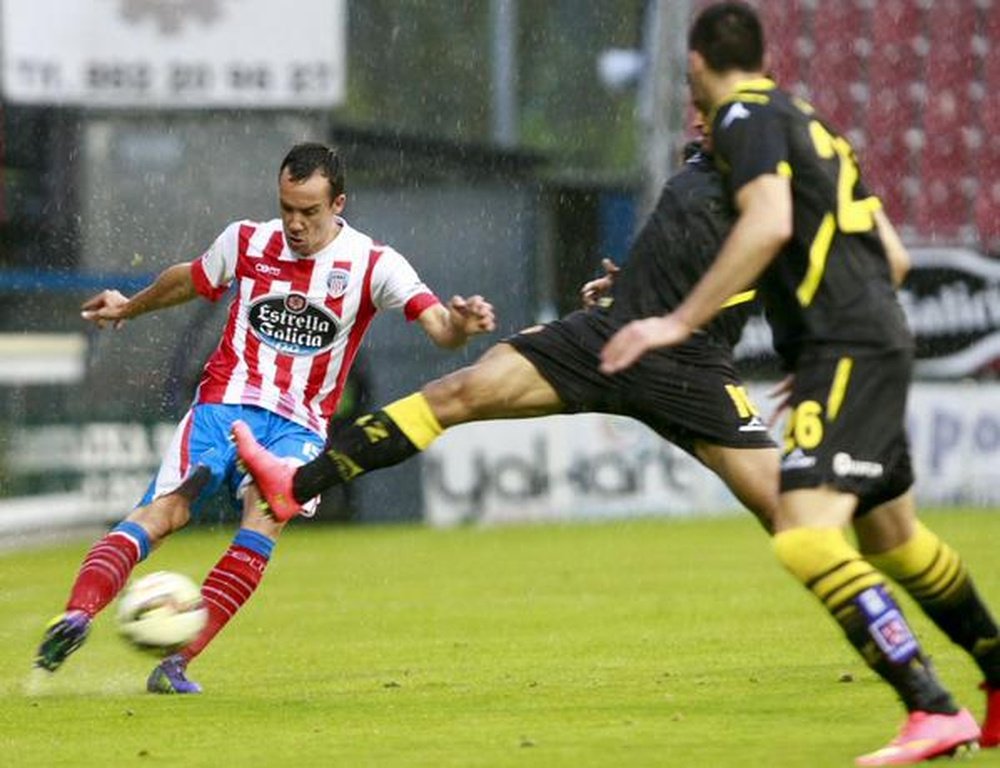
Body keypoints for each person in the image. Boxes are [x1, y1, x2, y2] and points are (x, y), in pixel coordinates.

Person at [600, 3, 1000, 765]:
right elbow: (895, 255)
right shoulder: (807, 118)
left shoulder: (744, 116)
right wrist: (824, 342)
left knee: (804, 534)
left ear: (697, 67)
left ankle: (931, 706)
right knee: (895, 540)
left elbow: (770, 223)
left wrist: (677, 321)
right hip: (867, 341)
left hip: (849, 347)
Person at [33, 142, 496, 693]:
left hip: (297, 427)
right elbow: (191, 278)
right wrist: (129, 307)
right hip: (222, 408)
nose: (295, 224)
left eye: (310, 212)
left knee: (264, 516)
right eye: (287, 209)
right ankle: (77, 614)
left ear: (338, 203)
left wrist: (462, 326)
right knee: (167, 512)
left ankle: (177, 661)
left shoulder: (375, 263)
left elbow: (440, 326)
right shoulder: (246, 240)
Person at [234, 130, 781, 557]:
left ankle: (867, 593)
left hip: (688, 366)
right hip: (608, 336)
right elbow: (681, 255)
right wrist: (631, 282)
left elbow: (773, 258)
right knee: (456, 393)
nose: (704, 115)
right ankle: (298, 484)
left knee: (786, 509)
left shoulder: (776, 184)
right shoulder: (696, 169)